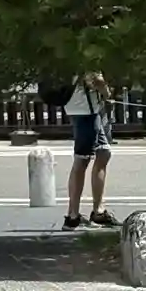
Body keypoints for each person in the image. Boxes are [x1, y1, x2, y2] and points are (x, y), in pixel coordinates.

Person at [62, 71, 116, 230]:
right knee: (82, 159)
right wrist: (107, 93)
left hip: (84, 109)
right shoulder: (88, 58)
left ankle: (98, 211)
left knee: (103, 152)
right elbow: (97, 80)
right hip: (85, 111)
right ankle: (72, 217)